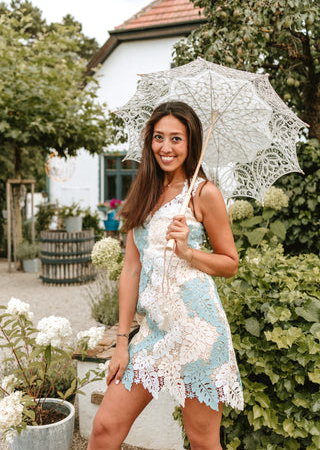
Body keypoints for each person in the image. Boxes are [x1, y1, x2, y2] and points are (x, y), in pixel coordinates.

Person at [87, 101, 244, 450]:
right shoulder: (142, 193)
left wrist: (188, 251)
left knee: (203, 441)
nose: (166, 147)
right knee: (104, 428)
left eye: (176, 138)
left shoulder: (204, 193)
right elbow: (131, 268)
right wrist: (122, 342)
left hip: (197, 332)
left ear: (191, 144)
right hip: (152, 333)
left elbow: (230, 263)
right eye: (159, 137)